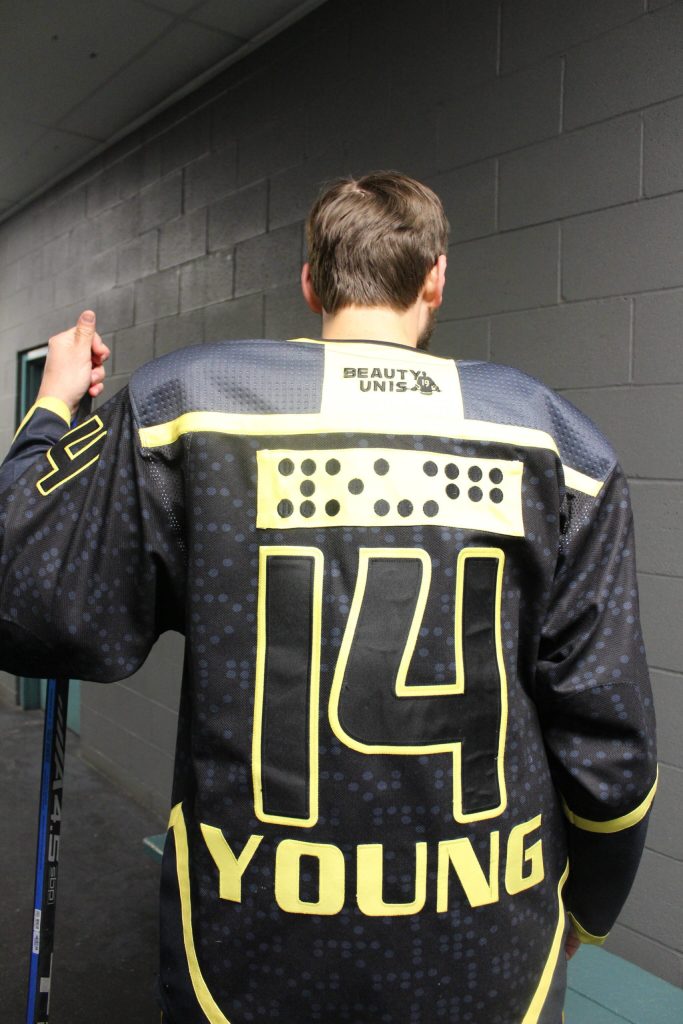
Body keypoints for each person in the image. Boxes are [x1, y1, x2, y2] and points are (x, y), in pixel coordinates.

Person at [0, 171, 657, 1024]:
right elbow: (612, 749)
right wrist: (590, 907)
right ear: (435, 279)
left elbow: (28, 590)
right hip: (489, 951)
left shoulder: (186, 407)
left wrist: (51, 407)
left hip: (250, 948)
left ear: (309, 282)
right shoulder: (561, 444)